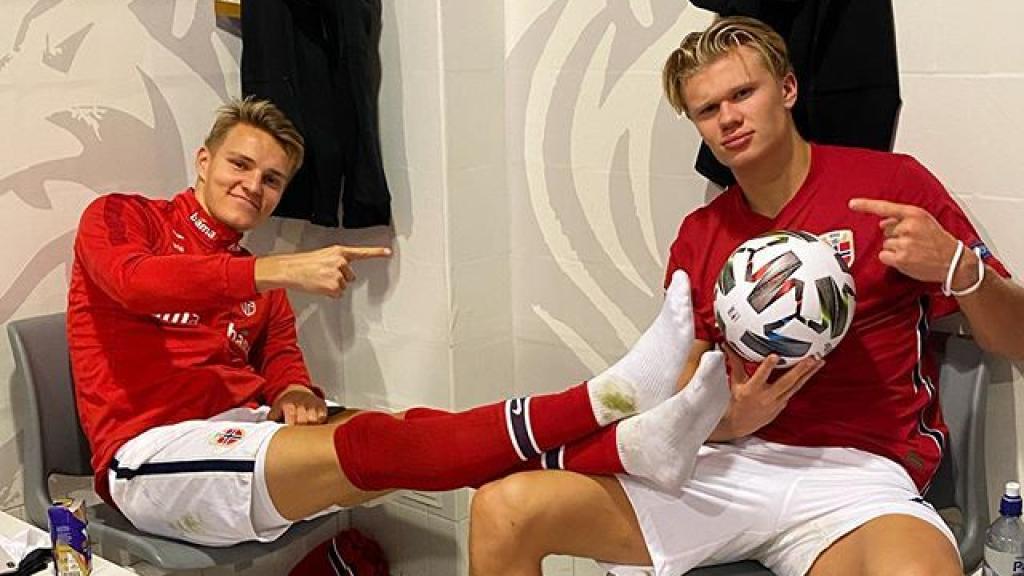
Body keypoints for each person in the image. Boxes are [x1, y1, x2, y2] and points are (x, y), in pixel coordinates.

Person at [467, 16, 1024, 576]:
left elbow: (1015, 338)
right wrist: (731, 420)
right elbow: (679, 388)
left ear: (786, 89)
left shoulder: (889, 186)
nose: (728, 118)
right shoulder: (701, 234)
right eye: (708, 110)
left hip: (858, 477)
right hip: (727, 467)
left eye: (742, 94)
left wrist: (957, 266)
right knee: (504, 509)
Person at [67, 97, 731, 546]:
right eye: (241, 165)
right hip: (149, 456)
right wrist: (278, 271)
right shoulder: (123, 219)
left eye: (272, 180)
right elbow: (136, 284)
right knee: (385, 449)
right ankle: (603, 404)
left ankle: (627, 445)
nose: (253, 186)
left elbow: (281, 361)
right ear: (205, 161)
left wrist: (293, 390)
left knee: (411, 432)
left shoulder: (254, 275)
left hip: (246, 431)